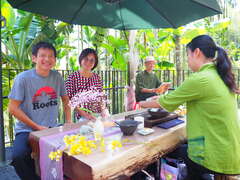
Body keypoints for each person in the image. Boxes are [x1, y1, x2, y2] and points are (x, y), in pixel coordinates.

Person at [139, 35, 240, 179]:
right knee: (181, 150)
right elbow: (170, 98)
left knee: (165, 152)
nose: (187, 60)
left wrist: (141, 103)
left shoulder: (200, 78)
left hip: (216, 155)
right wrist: (160, 98)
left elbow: (164, 103)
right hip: (229, 150)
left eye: (188, 55)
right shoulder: (219, 75)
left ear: (196, 52)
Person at [8, 42, 72, 180]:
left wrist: (68, 121)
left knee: (73, 150)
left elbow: (66, 100)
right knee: (18, 156)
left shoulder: (57, 77)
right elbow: (12, 108)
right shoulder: (23, 79)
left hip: (52, 127)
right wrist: (37, 127)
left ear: (55, 60)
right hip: (27, 129)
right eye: (42, 55)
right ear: (34, 58)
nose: (47, 59)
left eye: (51, 56)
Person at [65, 48, 105, 121]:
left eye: (92, 60)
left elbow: (101, 97)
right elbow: (70, 101)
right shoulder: (72, 77)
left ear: (95, 63)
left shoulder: (97, 77)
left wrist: (104, 111)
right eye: (86, 59)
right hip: (82, 117)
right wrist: (86, 115)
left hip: (99, 115)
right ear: (81, 59)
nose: (88, 62)